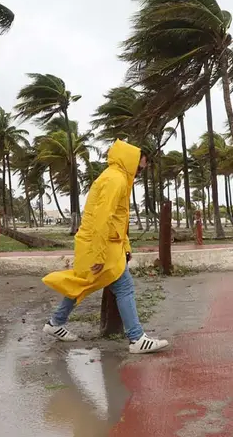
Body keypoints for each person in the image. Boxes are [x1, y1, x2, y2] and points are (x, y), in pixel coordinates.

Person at [42, 139, 169, 354]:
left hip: (103, 244)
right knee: (123, 287)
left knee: (82, 283)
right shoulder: (116, 180)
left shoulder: (115, 177)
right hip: (100, 245)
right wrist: (100, 256)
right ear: (131, 162)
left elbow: (119, 218)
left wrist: (126, 247)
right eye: (139, 168)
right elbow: (103, 219)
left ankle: (55, 323)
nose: (139, 174)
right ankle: (136, 338)